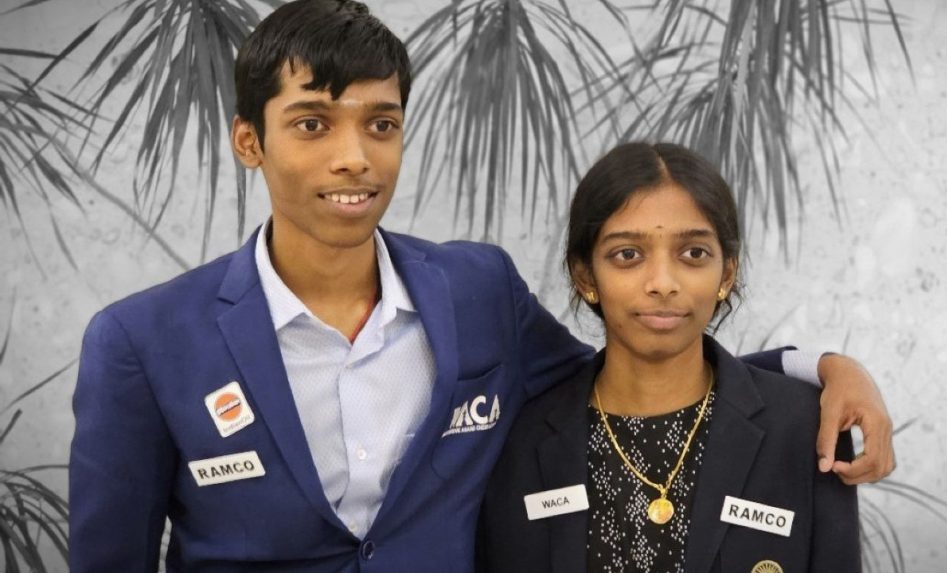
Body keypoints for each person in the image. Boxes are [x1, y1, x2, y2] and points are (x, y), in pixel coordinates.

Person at [69, 1, 888, 571]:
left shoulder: (476, 290)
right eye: (312, 123)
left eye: (381, 124)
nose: (354, 157)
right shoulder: (143, 342)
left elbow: (626, 368)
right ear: (249, 140)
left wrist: (816, 367)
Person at [479, 142, 861, 573]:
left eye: (693, 253)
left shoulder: (806, 427)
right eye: (628, 255)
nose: (662, 282)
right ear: (586, 276)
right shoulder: (520, 441)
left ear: (727, 273)